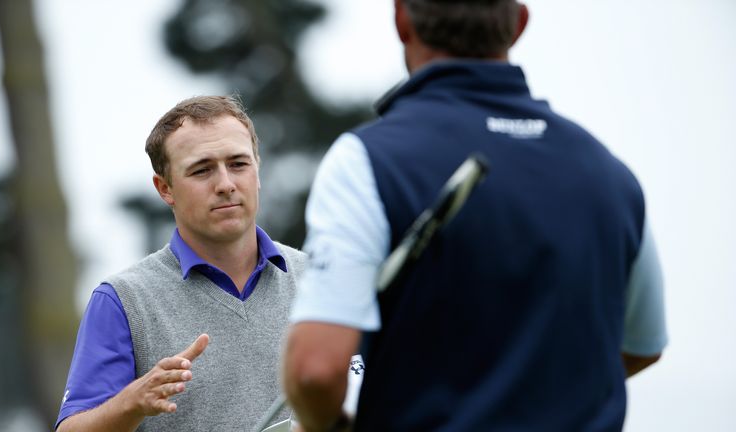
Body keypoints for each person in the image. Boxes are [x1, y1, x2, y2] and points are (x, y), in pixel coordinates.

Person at [282, 1, 668, 431]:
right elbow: (642, 345)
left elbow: (315, 370)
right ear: (519, 24)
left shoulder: (366, 159)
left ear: (401, 19)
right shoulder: (610, 173)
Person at [56, 95, 305, 432]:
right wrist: (131, 402)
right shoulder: (124, 300)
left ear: (257, 170)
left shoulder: (319, 277)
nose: (226, 184)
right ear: (165, 189)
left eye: (238, 164)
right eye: (202, 170)